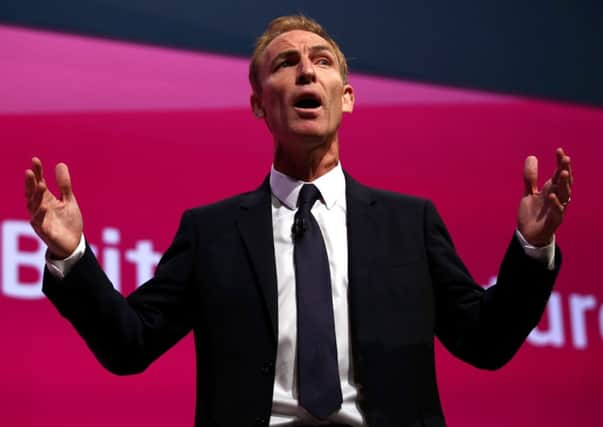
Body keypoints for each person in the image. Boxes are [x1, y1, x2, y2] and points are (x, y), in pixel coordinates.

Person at [24, 15, 573, 427]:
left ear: (347, 98)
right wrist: (72, 255)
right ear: (259, 104)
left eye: (323, 61)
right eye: (286, 64)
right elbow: (129, 345)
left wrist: (531, 247)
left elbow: (485, 342)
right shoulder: (211, 233)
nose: (307, 69)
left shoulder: (410, 224)